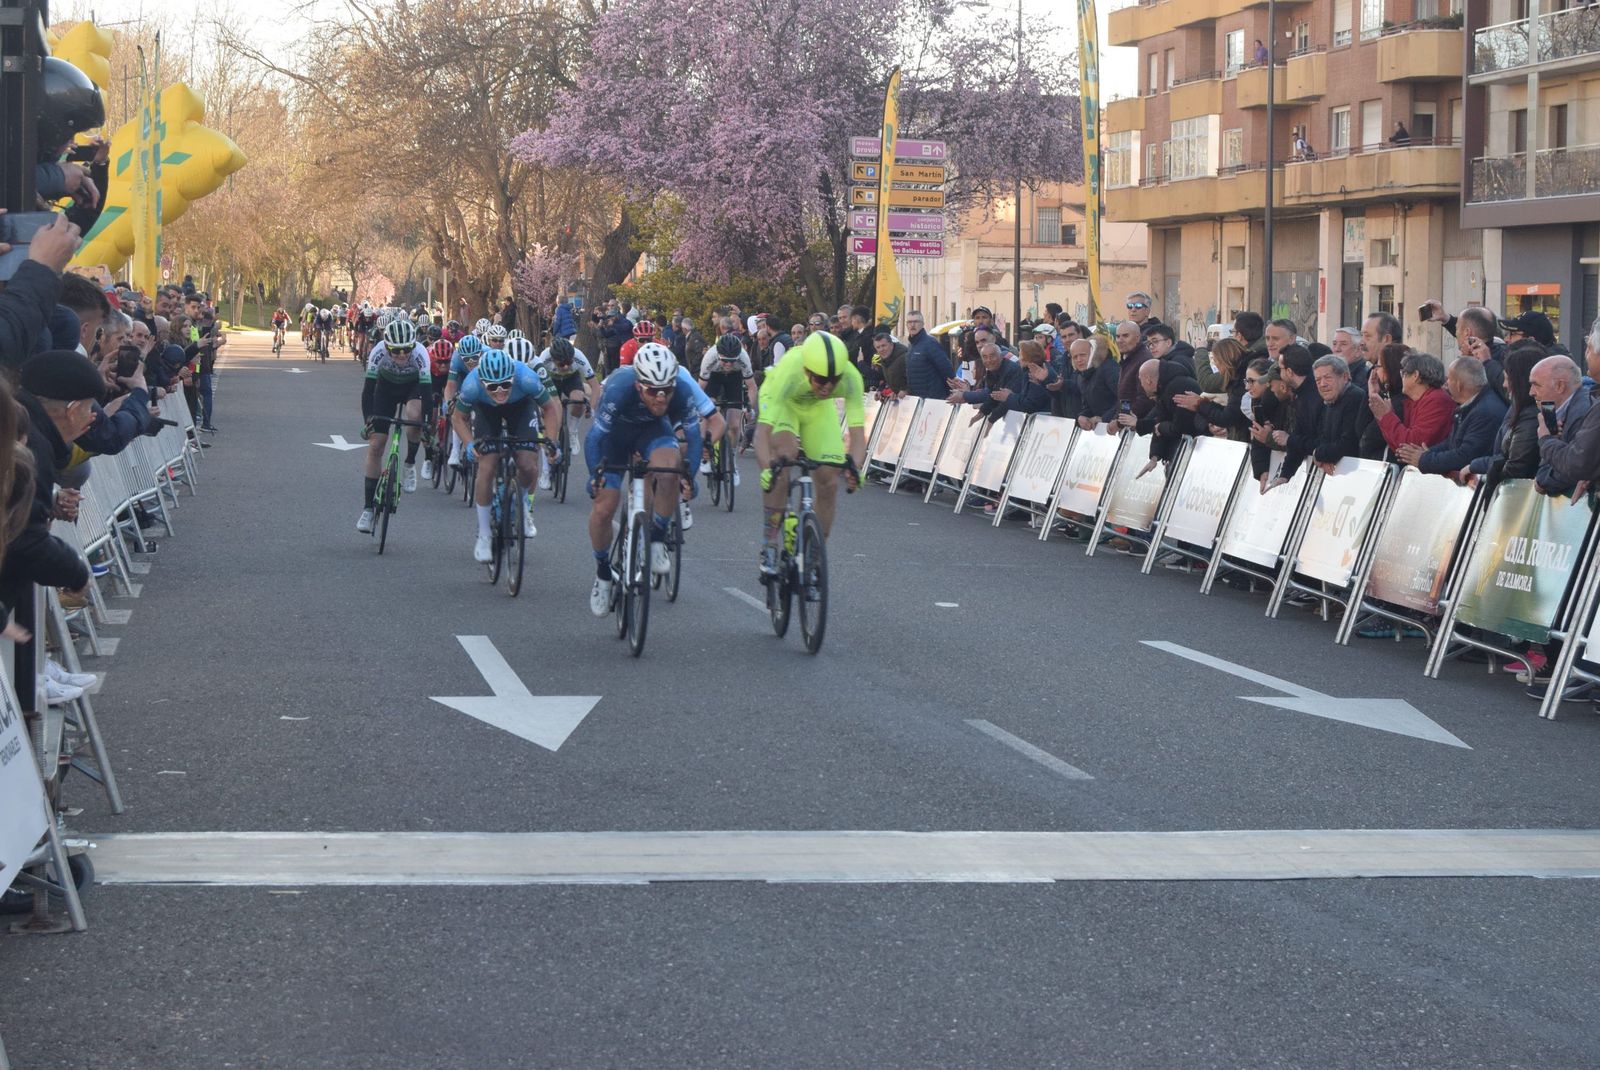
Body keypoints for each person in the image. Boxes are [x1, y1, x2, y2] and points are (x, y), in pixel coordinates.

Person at [585, 345, 723, 613]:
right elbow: (594, 438)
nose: (661, 398)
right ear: (639, 386)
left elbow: (694, 439)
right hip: (615, 437)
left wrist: (689, 478)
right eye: (652, 391)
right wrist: (594, 476)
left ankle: (657, 537)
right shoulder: (619, 387)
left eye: (666, 391)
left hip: (652, 431)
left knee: (670, 469)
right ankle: (603, 573)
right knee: (604, 506)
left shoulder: (681, 390)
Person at [754, 332, 865, 579]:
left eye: (832, 381)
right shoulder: (789, 373)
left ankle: (814, 556)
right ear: (807, 372)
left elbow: (858, 435)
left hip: (817, 410)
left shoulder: (850, 377)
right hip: (783, 404)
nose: (827, 386)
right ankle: (770, 542)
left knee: (829, 478)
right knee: (785, 455)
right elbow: (761, 434)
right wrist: (766, 469)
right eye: (820, 380)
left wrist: (854, 467)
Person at [453, 348, 561, 562]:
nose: (500, 391)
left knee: (528, 464)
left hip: (521, 408)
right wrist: (468, 444)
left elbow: (549, 409)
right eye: (493, 387)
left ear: (513, 378)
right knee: (486, 467)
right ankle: (484, 534)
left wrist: (551, 441)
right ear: (483, 382)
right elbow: (458, 418)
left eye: (505, 384)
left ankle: (521, 504)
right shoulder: (472, 385)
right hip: (486, 411)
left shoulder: (527, 378)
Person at [356, 319, 432, 533]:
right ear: (386, 346)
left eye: (406, 349)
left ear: (413, 345)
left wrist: (426, 424)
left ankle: (409, 464)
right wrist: (368, 421)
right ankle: (368, 509)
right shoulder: (377, 352)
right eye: (395, 351)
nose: (401, 355)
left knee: (414, 416)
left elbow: (426, 393)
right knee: (376, 445)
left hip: (413, 387)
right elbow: (368, 391)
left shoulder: (421, 354)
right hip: (386, 389)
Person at [1402, 357, 1507, 475]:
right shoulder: (1473, 405)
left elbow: (1465, 456)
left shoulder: (1485, 412)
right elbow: (1452, 442)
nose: (1446, 383)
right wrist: (1428, 453)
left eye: (1449, 379)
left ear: (1458, 385)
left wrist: (1425, 460)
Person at [1464, 341, 1545, 489]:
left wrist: (1482, 475)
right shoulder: (1517, 407)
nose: (1504, 385)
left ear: (1520, 381)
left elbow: (1516, 467)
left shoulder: (1531, 418)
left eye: (1508, 379)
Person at [1532, 349, 1600, 496]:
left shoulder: (1583, 411)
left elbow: (1577, 466)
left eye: (1536, 385)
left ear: (1560, 386)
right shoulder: (1555, 412)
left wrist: (1546, 439)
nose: (1531, 392)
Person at [697, 333, 757, 482]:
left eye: (732, 361)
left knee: (734, 425)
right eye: (725, 361)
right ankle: (705, 455)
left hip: (734, 379)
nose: (728, 364)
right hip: (714, 378)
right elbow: (700, 388)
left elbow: (751, 387)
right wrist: (700, 409)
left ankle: (732, 460)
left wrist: (751, 408)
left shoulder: (743, 358)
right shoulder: (709, 358)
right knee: (707, 412)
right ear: (718, 355)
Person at [1370, 351, 1454, 455]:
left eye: (1404, 373)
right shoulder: (1416, 401)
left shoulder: (1437, 400)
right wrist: (1386, 415)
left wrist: (1386, 416)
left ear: (1415, 375)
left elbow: (1411, 445)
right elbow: (1398, 447)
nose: (1402, 378)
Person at [1308, 355, 1371, 471]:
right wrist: (1324, 458)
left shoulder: (1355, 398)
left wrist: (1318, 454)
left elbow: (1348, 444)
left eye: (1327, 378)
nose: (1322, 384)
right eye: (1318, 380)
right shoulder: (1329, 400)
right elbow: (1322, 438)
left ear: (1345, 377)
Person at [904, 310, 955, 398]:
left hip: (933, 399)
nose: (912, 325)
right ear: (906, 325)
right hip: (917, 399)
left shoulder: (930, 343)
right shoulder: (911, 346)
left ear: (922, 324)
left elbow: (946, 369)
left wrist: (951, 391)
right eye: (909, 322)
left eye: (916, 321)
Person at [870, 329, 908, 395]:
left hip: (914, 399)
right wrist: (881, 391)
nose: (881, 349)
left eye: (883, 345)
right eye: (878, 347)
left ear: (891, 344)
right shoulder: (884, 359)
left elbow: (916, 377)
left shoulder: (905, 357)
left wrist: (906, 390)